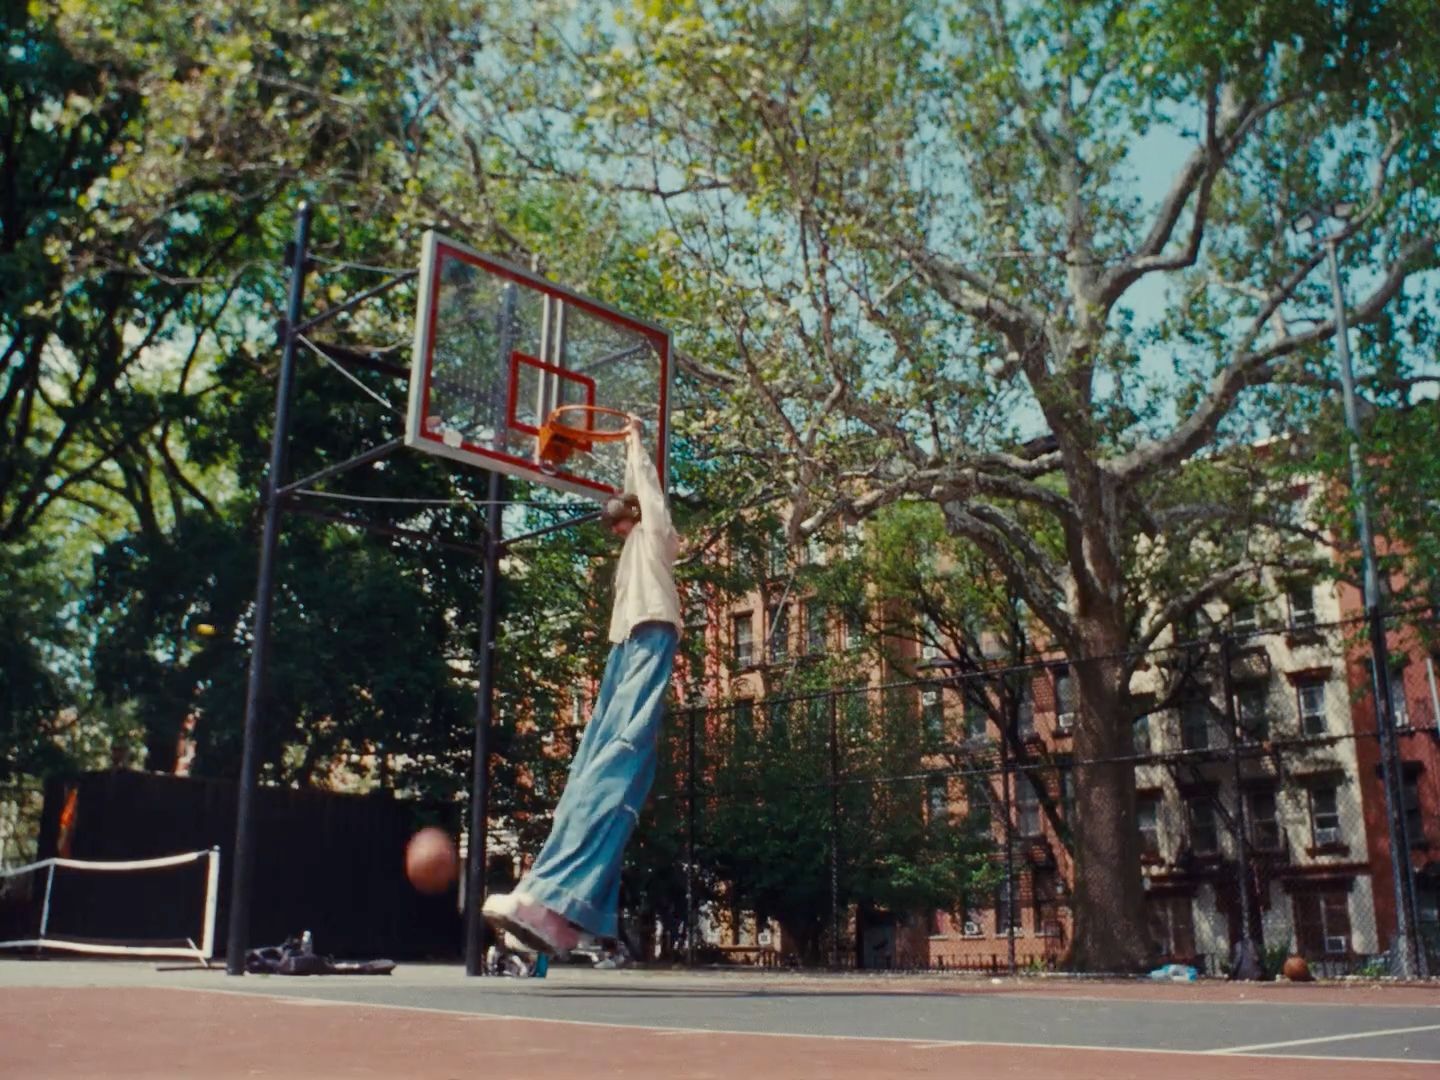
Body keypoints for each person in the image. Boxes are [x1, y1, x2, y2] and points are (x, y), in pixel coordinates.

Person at [482, 416, 681, 955]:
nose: (615, 529)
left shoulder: (655, 534)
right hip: (626, 648)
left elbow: (645, 494)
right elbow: (631, 500)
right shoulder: (634, 551)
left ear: (634, 517)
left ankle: (549, 897)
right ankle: (576, 917)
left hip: (650, 637)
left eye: (619, 521)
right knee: (599, 768)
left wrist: (635, 441)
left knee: (615, 757)